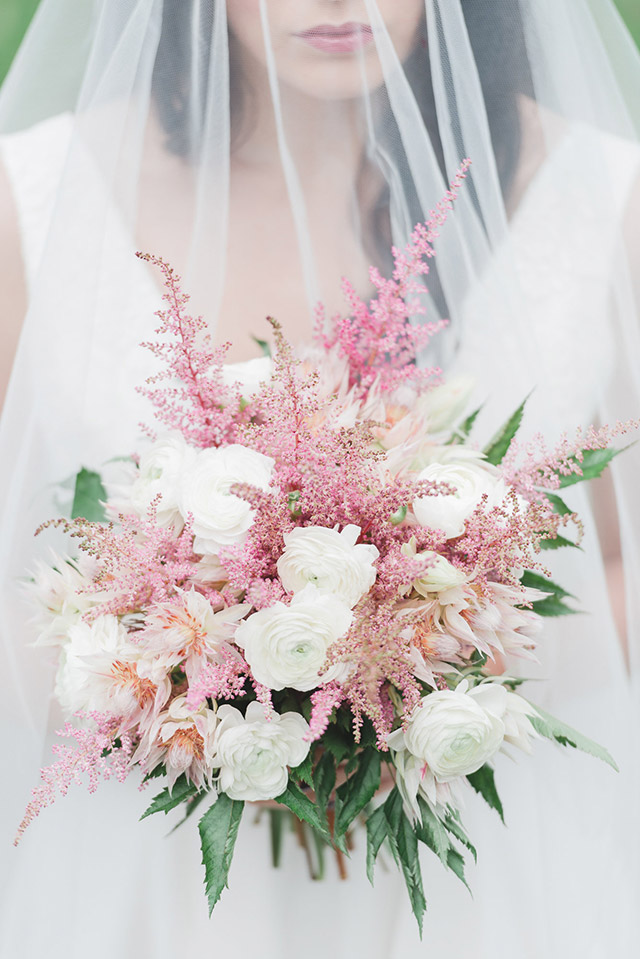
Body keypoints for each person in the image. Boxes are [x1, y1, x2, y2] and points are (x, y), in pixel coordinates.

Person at [0, 2, 639, 956]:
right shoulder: (37, 193)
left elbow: (618, 558)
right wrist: (181, 683)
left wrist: (424, 672)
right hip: (145, 866)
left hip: (499, 859)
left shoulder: (603, 193)